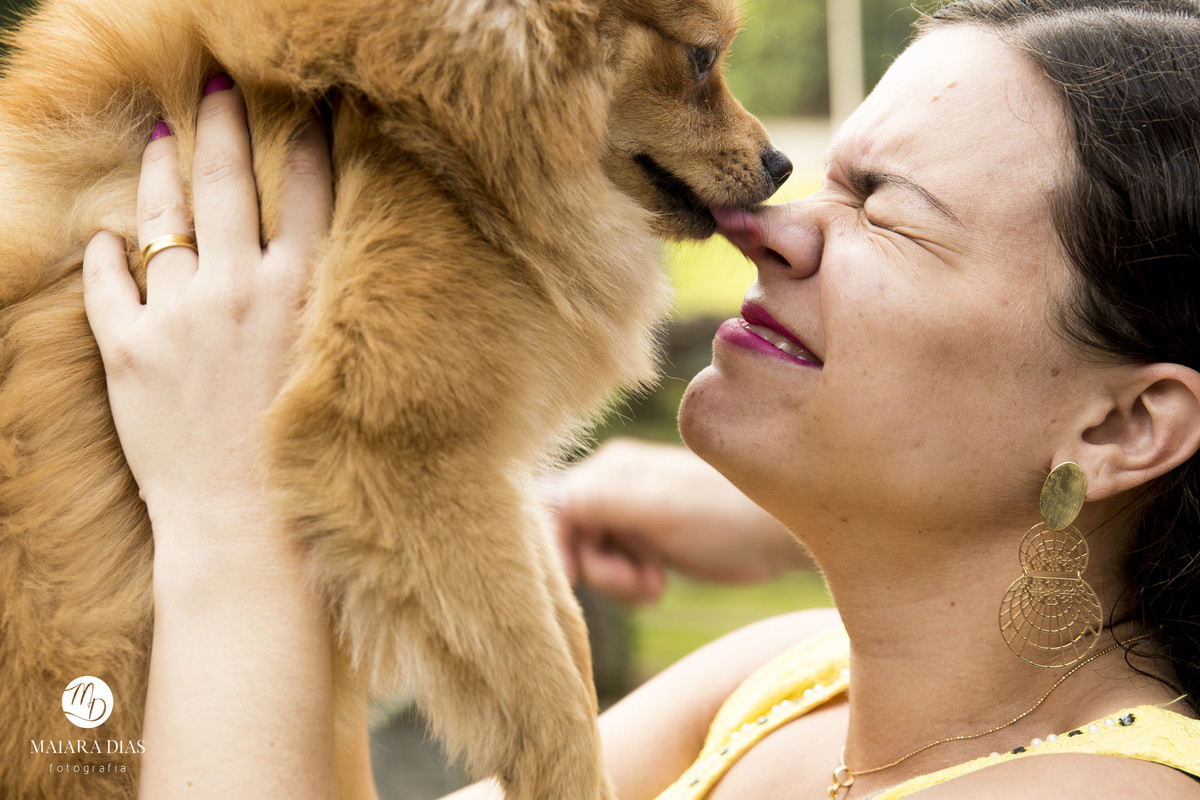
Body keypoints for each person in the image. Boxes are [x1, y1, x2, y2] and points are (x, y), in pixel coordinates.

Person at [81, 1, 1200, 797]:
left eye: (890, 209)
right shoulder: (781, 681)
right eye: (831, 179)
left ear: (1121, 424)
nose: (766, 222)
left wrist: (225, 510)